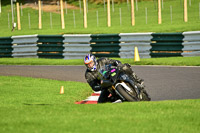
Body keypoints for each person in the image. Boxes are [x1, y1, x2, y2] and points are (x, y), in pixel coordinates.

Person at [84, 54, 150, 103]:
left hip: (112, 73)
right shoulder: (88, 74)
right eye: (87, 64)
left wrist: (117, 63)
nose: (89, 65)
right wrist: (100, 86)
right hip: (106, 84)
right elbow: (93, 86)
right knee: (100, 102)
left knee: (125, 67)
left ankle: (137, 80)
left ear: (94, 61)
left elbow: (113, 61)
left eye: (91, 63)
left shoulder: (102, 60)